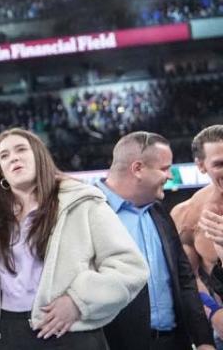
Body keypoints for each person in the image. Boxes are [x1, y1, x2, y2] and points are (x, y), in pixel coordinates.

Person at [0, 128, 148, 348]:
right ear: (1, 172)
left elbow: (130, 267)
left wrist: (78, 301)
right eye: (4, 155)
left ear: (40, 156)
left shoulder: (82, 203)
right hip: (10, 334)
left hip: (70, 332)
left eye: (21, 150)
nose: (13, 158)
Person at [98, 131, 214, 350]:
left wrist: (203, 340)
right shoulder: (88, 211)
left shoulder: (159, 212)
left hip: (174, 342)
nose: (170, 176)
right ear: (138, 169)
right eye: (164, 168)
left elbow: (184, 279)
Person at [171, 124, 223, 339]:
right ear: (201, 166)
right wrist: (213, 312)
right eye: (220, 164)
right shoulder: (187, 216)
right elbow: (188, 278)